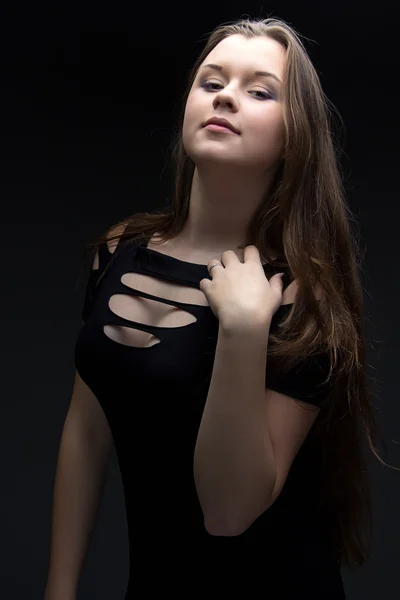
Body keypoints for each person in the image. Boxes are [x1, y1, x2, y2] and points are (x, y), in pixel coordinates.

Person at [44, 16, 396, 600]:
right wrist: (59, 589)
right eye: (211, 81)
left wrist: (244, 330)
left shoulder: (301, 297)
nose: (226, 96)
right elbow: (85, 430)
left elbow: (227, 512)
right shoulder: (119, 250)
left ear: (295, 136)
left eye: (259, 91)